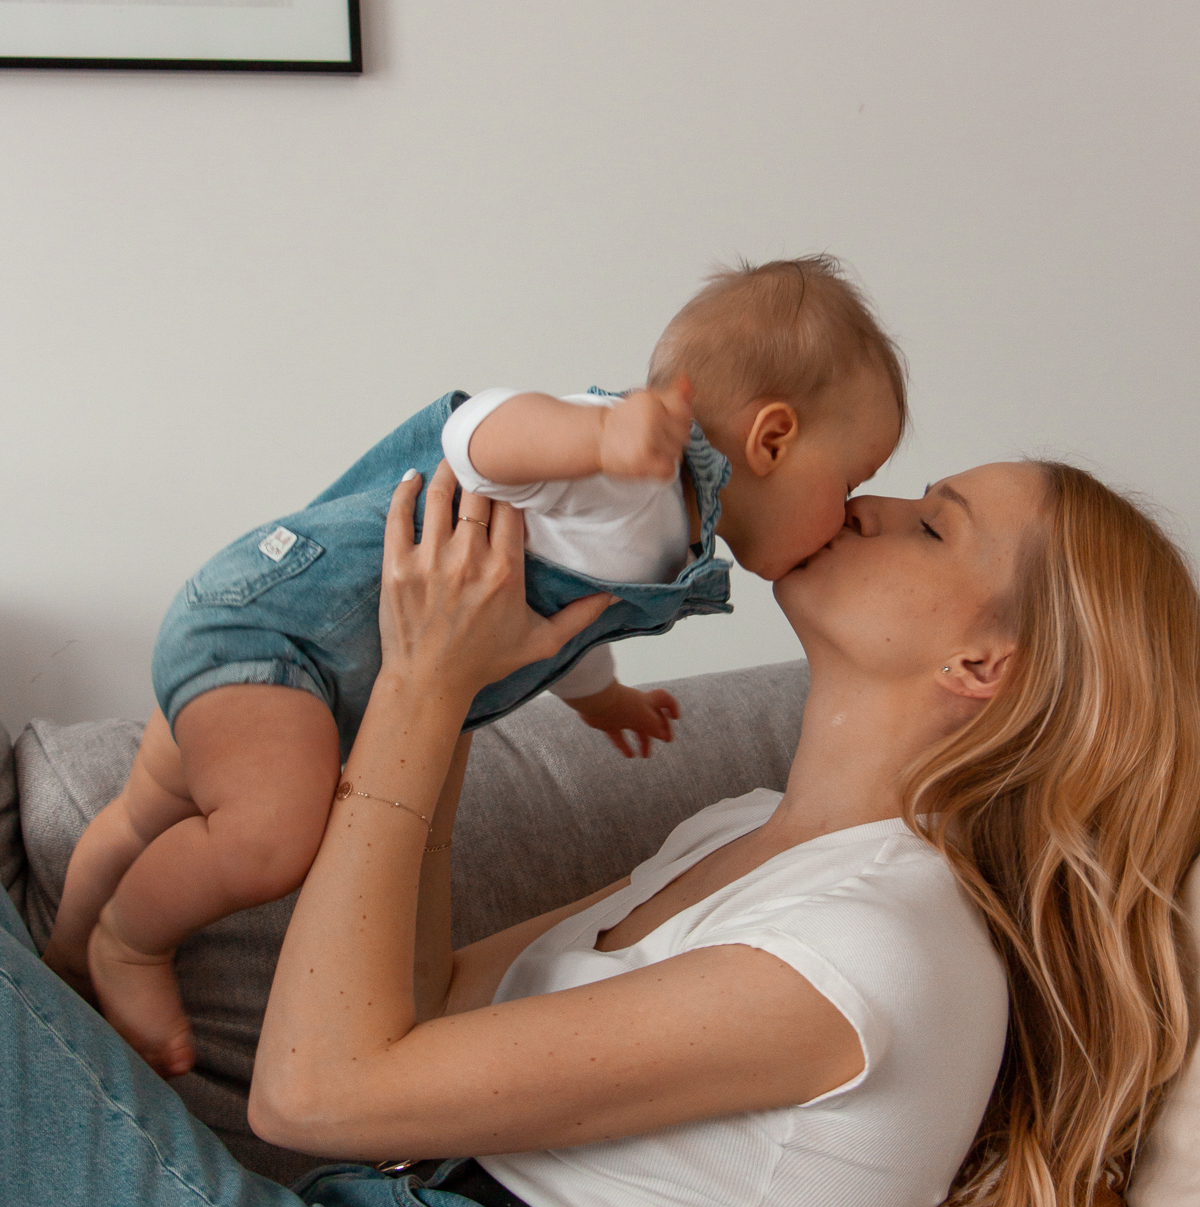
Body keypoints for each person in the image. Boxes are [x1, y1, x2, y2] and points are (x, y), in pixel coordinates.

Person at [5, 452, 1198, 1207]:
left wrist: (422, 686)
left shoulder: (886, 948)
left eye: (933, 525)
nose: (865, 502)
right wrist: (473, 679)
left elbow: (316, 1088)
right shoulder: (744, 831)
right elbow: (413, 1004)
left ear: (984, 668)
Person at [43, 256, 906, 1076]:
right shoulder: (624, 471)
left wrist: (599, 697)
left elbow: (555, 609)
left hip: (262, 643)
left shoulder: (659, 534)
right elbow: (472, 432)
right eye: (854, 478)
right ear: (774, 438)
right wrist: (599, 432)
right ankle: (131, 940)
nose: (855, 510)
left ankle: (62, 955)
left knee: (145, 809)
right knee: (270, 841)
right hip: (278, 637)